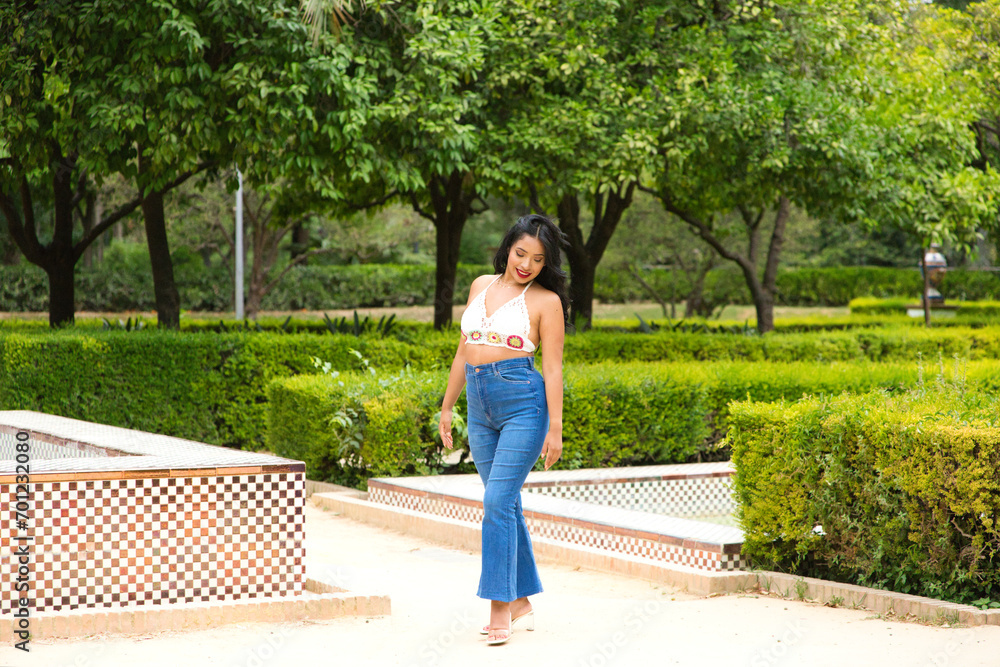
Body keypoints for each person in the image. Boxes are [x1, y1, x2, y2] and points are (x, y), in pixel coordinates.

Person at [438, 213, 569, 646]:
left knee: (495, 501)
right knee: (506, 503)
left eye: (537, 258)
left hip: (523, 406)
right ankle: (522, 603)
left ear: (546, 263)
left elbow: (552, 369)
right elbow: (463, 351)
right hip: (479, 406)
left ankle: (499, 607)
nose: (526, 264)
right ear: (508, 247)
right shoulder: (480, 285)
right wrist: (447, 407)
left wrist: (556, 428)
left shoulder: (546, 301)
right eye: (520, 253)